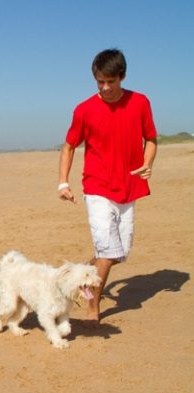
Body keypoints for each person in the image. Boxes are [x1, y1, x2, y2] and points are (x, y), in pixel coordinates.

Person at [58, 49, 157, 328]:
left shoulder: (140, 102)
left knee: (118, 253)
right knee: (108, 251)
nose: (105, 87)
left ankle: (80, 275)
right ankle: (92, 307)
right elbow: (69, 146)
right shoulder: (84, 110)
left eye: (110, 81)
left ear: (121, 76)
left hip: (129, 187)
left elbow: (151, 139)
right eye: (100, 81)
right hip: (97, 186)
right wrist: (63, 182)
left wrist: (148, 163)